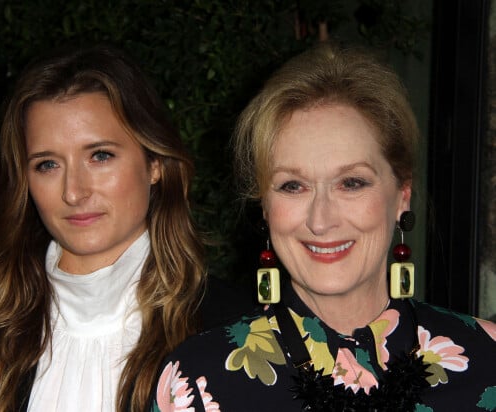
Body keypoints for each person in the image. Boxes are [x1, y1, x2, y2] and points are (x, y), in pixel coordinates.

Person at [150, 42, 496, 411]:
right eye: (292, 186)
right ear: (264, 207)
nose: (321, 219)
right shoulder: (198, 382)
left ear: (402, 194)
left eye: (351, 183)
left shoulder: (487, 360)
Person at [0, 44, 249, 412]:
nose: (74, 192)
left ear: (154, 162)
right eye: (47, 165)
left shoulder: (232, 327)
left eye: (100, 155)